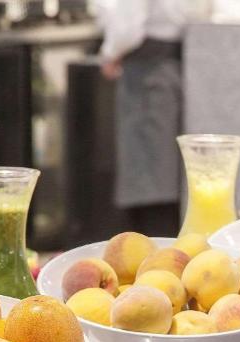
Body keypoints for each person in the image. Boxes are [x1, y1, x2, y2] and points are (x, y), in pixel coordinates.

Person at [97, 0, 202, 235]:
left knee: (150, 174)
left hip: (148, 70)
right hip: (172, 62)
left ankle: (150, 255)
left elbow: (128, 29)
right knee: (162, 170)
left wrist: (110, 53)